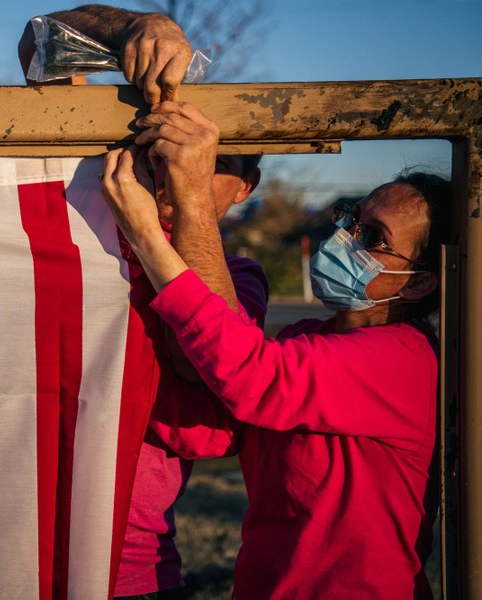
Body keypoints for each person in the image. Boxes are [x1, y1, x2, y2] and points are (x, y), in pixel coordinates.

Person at [101, 99, 449, 598]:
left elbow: (251, 375)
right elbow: (218, 428)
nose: (346, 238)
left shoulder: (403, 358)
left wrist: (150, 237)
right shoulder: (309, 337)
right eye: (353, 218)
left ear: (418, 284)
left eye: (372, 238)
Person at [19, 8, 267, 598]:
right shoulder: (88, 221)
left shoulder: (240, 278)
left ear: (246, 187)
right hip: (6, 546)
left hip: (129, 570)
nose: (181, 168)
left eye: (214, 164)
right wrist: (136, 26)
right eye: (167, 149)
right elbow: (40, 43)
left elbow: (203, 376)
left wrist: (187, 204)